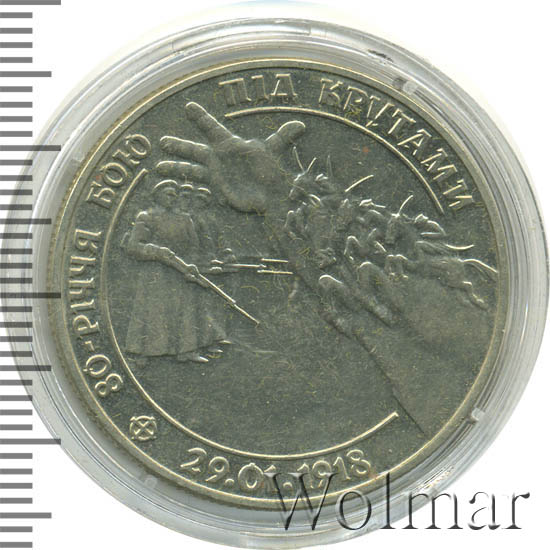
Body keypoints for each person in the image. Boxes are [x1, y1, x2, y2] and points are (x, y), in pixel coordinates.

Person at [124, 179, 226, 364]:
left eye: (174, 195)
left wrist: (191, 265)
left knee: (185, 311)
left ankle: (187, 351)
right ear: (157, 196)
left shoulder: (184, 219)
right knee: (154, 312)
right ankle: (143, 353)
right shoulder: (146, 217)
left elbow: (194, 246)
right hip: (155, 274)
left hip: (180, 272)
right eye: (168, 194)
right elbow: (134, 247)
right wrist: (157, 251)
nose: (172, 198)